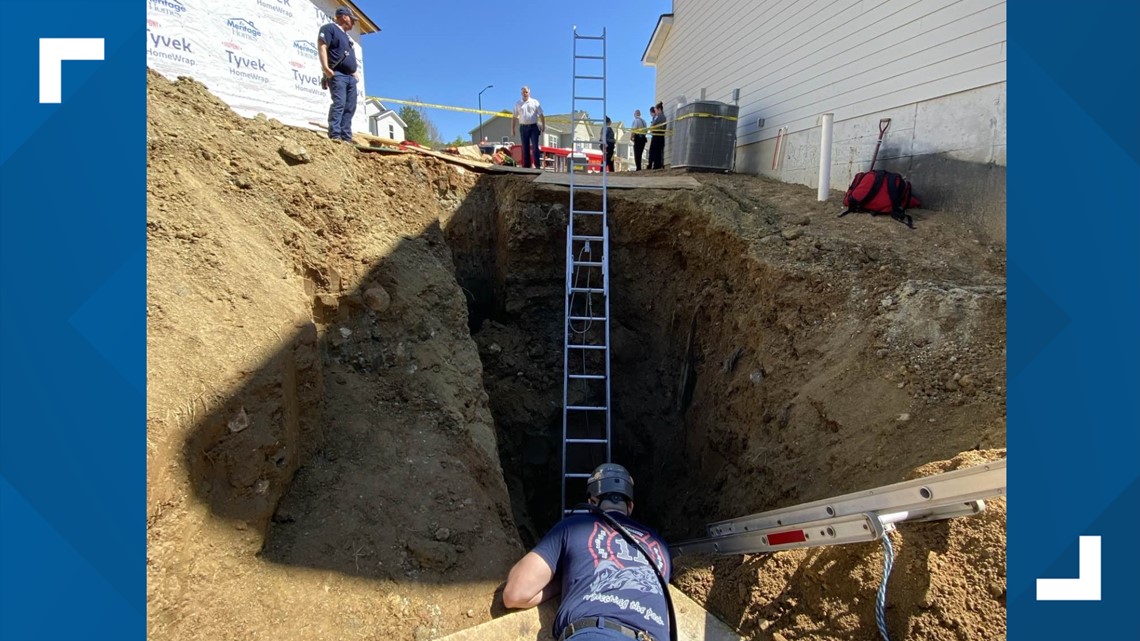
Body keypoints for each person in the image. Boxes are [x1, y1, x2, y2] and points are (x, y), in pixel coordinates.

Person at [503, 463, 672, 641]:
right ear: (630, 506)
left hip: (597, 634)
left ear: (592, 502)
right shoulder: (661, 546)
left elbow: (515, 593)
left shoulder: (573, 526)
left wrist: (562, 584)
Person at [318, 7, 360, 143]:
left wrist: (354, 72)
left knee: (350, 107)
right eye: (352, 20)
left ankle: (346, 137)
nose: (353, 23)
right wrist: (325, 68)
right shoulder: (329, 28)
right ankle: (335, 135)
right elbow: (322, 46)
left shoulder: (347, 38)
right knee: (339, 103)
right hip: (338, 75)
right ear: (344, 17)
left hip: (350, 77)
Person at [512, 86, 546, 169]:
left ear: (529, 93)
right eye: (523, 92)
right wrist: (512, 129)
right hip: (523, 128)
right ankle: (527, 165)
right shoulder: (517, 103)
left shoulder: (535, 102)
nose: (525, 93)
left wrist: (543, 125)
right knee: (525, 147)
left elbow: (541, 115)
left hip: (534, 127)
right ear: (521, 93)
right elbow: (514, 117)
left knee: (535, 146)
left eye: (526, 92)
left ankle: (537, 166)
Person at [647, 102, 666, 169]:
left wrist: (652, 125)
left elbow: (653, 124)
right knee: (658, 151)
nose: (656, 112)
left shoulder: (659, 116)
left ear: (659, 109)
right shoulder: (663, 117)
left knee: (655, 151)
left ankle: (656, 166)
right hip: (660, 136)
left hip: (657, 136)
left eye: (656, 110)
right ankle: (658, 165)